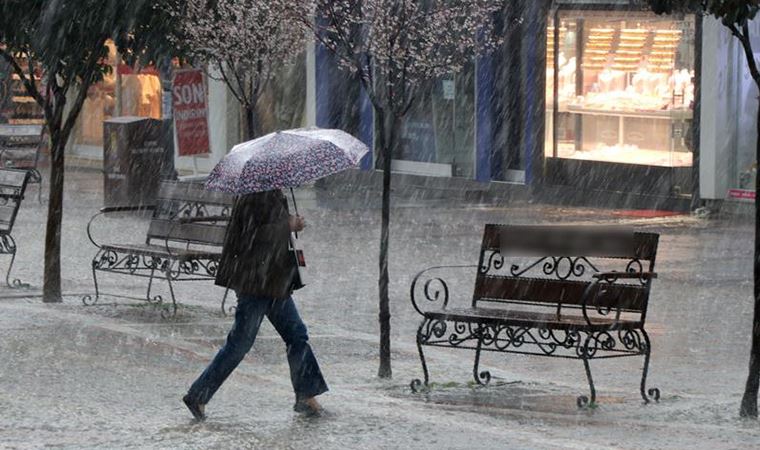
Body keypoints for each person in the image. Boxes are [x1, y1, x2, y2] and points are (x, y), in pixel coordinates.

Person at [182, 189, 328, 420]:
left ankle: (306, 397)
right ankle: (198, 395)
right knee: (240, 344)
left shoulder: (269, 191)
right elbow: (252, 236)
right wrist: (287, 225)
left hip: (273, 282)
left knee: (297, 335)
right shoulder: (254, 194)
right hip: (256, 283)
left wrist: (289, 225)